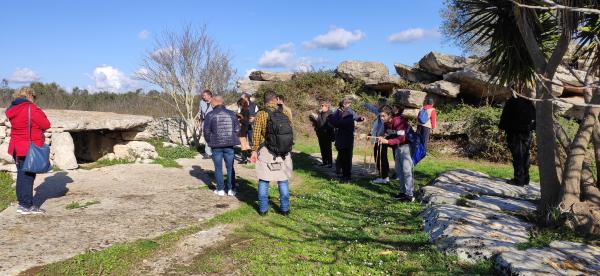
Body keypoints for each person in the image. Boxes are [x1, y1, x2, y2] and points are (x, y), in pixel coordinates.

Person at [6, 87, 51, 214]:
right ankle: (26, 205)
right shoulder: (31, 109)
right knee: (28, 177)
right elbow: (46, 124)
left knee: (22, 175)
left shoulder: (12, 109)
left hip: (16, 147)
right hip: (28, 148)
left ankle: (22, 204)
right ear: (29, 96)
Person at [250, 91, 294, 216]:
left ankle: (263, 210)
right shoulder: (285, 112)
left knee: (264, 179)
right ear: (275, 99)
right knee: (283, 179)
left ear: (265, 101)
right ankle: (285, 209)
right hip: (283, 151)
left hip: (266, 151)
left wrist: (254, 150)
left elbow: (256, 134)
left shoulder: (261, 114)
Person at [203, 96, 240, 196]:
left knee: (218, 168)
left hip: (216, 145)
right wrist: (232, 138)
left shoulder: (210, 115)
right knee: (230, 167)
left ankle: (220, 190)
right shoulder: (232, 113)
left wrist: (209, 141)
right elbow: (237, 129)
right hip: (229, 144)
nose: (210, 103)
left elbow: (206, 131)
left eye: (211, 102)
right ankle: (231, 189)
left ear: (215, 103)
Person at [379, 103, 414, 202]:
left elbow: (402, 138)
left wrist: (388, 141)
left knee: (407, 170)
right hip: (397, 147)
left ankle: (410, 195)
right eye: (380, 116)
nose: (381, 118)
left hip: (406, 146)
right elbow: (388, 132)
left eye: (383, 116)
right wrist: (383, 137)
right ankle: (403, 192)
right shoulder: (386, 123)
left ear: (389, 115)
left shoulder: (398, 121)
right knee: (399, 170)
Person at [498, 95, 535, 186]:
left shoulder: (512, 101)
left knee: (518, 155)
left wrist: (500, 129)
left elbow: (505, 116)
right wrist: (531, 128)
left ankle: (519, 179)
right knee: (525, 155)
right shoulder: (529, 102)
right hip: (526, 133)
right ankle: (525, 178)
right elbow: (535, 118)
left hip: (514, 132)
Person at [328, 98, 365, 182]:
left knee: (346, 157)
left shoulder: (349, 113)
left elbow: (337, 122)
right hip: (341, 136)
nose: (349, 105)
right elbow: (336, 121)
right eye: (348, 103)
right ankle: (341, 172)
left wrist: (360, 118)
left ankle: (346, 175)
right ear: (343, 104)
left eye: (349, 103)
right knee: (342, 155)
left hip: (345, 138)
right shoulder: (338, 111)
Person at [364, 97, 389, 184]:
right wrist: (370, 134)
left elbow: (385, 129)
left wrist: (382, 136)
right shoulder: (380, 114)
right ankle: (383, 175)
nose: (377, 106)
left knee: (380, 158)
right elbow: (376, 127)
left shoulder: (384, 115)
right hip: (378, 139)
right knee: (379, 157)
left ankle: (384, 177)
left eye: (379, 104)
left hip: (381, 140)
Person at [309, 100, 334, 167]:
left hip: (327, 134)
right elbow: (318, 122)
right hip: (320, 134)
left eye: (322, 105)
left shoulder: (330, 114)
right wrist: (315, 125)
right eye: (321, 105)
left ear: (327, 106)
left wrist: (326, 129)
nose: (321, 107)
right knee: (322, 148)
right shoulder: (320, 113)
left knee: (328, 149)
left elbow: (331, 124)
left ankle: (329, 163)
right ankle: (324, 162)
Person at [198, 89, 214, 159]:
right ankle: (208, 153)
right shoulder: (201, 102)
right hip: (205, 121)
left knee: (214, 137)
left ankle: (215, 152)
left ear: (209, 96)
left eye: (204, 95)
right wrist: (198, 121)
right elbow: (200, 112)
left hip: (213, 121)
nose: (203, 97)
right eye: (203, 95)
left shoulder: (214, 101)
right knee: (206, 137)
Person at [236, 98, 251, 164]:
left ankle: (244, 159)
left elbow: (245, 121)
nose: (239, 106)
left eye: (239, 105)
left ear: (241, 104)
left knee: (243, 144)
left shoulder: (244, 110)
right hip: (245, 128)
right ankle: (250, 156)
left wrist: (239, 119)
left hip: (243, 128)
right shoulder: (246, 110)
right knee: (245, 143)